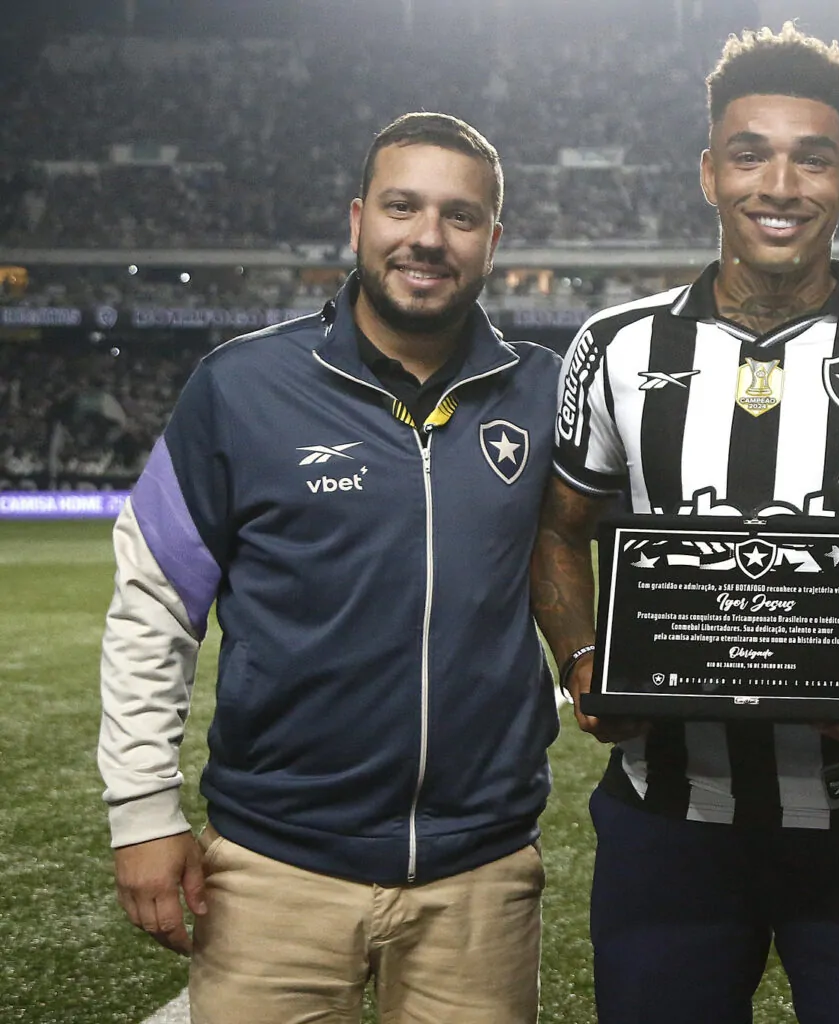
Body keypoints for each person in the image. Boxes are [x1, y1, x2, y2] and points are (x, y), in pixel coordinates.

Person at [531, 24, 839, 1024]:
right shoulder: (615, 347)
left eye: (814, 158)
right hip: (666, 822)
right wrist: (582, 659)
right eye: (750, 154)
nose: (781, 185)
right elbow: (556, 532)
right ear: (709, 172)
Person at [98, 112, 560, 1024]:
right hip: (274, 868)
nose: (428, 236)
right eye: (402, 207)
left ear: (493, 240)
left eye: (460, 216)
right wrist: (143, 810)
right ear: (358, 221)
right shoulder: (240, 387)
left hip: (482, 873)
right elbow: (154, 601)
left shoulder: (547, 391)